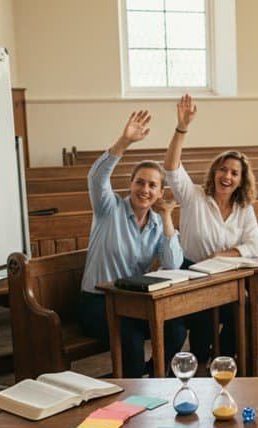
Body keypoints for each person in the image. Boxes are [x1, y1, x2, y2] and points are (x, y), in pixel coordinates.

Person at [77, 110, 182, 378]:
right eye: (139, 182)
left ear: (160, 192)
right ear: (130, 184)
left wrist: (168, 217)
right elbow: (96, 178)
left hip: (134, 302)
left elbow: (172, 264)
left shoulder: (158, 224)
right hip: (98, 303)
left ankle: (153, 375)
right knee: (132, 338)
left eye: (152, 185)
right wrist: (125, 141)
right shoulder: (108, 209)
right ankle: (133, 399)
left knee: (177, 328)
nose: (144, 190)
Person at [162, 94, 258, 368]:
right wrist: (182, 128)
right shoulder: (193, 196)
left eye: (234, 173)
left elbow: (254, 247)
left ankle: (225, 363)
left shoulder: (244, 208)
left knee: (242, 311)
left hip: (228, 276)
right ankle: (201, 363)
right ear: (215, 171)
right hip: (193, 274)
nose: (227, 176)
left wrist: (220, 256)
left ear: (241, 181)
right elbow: (171, 169)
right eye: (223, 169)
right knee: (202, 325)